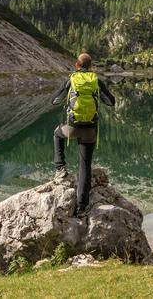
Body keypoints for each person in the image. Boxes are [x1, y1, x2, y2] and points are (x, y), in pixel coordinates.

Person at [51, 52, 115, 218]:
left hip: (73, 127)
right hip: (90, 130)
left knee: (57, 134)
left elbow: (55, 100)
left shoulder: (71, 79)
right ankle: (81, 208)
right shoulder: (96, 81)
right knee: (84, 166)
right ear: (91, 66)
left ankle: (60, 168)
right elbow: (111, 102)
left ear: (76, 65)